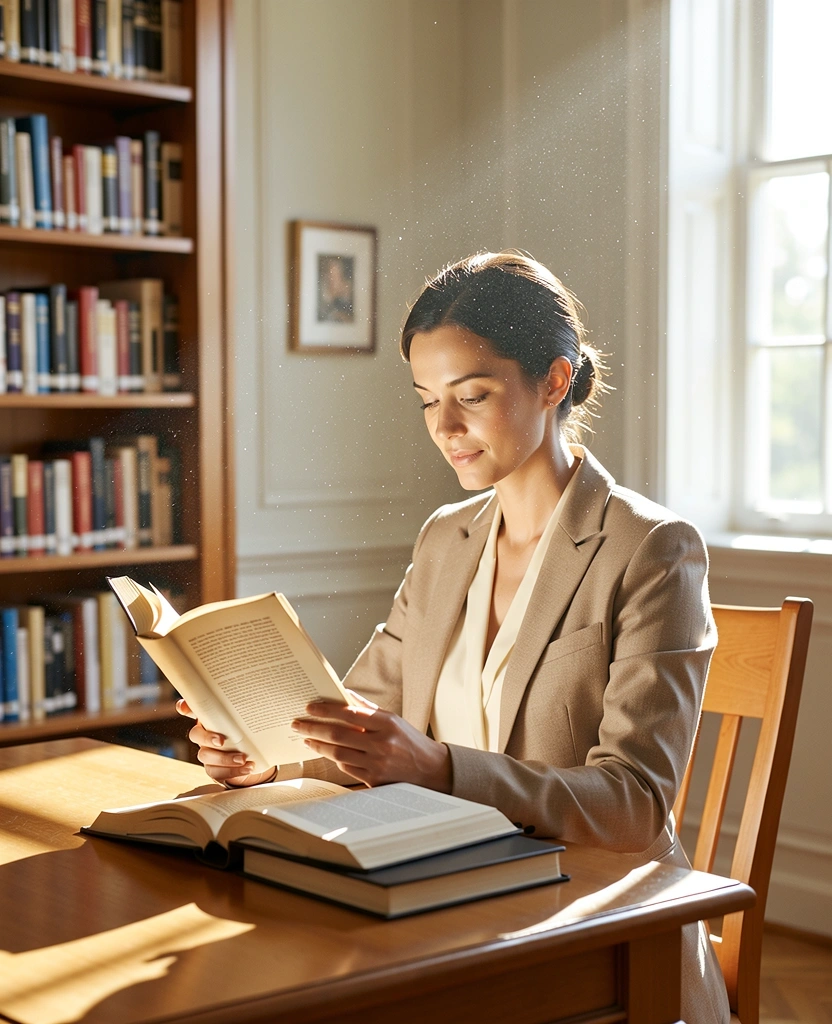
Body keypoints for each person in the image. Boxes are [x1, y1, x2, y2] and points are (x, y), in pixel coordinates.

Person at [179, 251, 729, 1024]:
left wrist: (438, 765)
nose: (445, 428)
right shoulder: (447, 538)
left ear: (554, 380)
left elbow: (635, 805)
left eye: (471, 395)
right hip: (457, 905)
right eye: (427, 400)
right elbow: (364, 718)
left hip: (600, 931)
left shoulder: (652, 547)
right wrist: (263, 750)